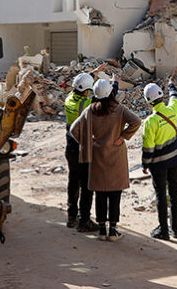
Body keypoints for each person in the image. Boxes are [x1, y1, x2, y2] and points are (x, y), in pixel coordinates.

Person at [69, 75, 141, 242]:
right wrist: (123, 136)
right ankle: (113, 231)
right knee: (115, 195)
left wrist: (88, 141)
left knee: (100, 194)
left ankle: (102, 230)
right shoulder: (120, 109)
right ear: (110, 93)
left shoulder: (90, 110)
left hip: (97, 156)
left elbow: (74, 129)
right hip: (116, 157)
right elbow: (136, 121)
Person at [141, 80, 177, 240]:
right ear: (161, 95)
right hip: (175, 159)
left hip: (158, 164)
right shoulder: (172, 109)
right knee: (174, 192)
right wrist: (172, 85)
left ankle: (163, 231)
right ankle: (176, 229)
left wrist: (145, 163)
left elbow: (148, 146)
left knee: (161, 195)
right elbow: (175, 97)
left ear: (148, 101)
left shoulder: (150, 122)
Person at [65, 72, 97, 232]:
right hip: (82, 149)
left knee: (73, 181)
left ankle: (71, 217)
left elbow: (79, 86)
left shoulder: (69, 99)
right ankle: (84, 220)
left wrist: (92, 74)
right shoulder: (86, 104)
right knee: (86, 185)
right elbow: (102, 100)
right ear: (86, 91)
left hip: (70, 148)